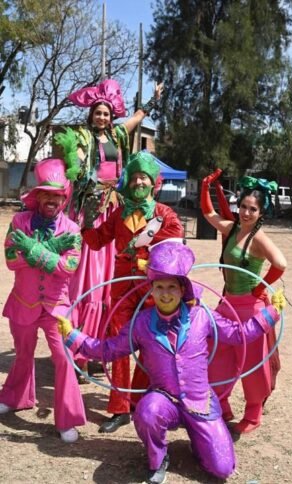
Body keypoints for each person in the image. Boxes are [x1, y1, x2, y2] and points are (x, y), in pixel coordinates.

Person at [56, 241, 286, 482]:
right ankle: (158, 459)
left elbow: (239, 334)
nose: (165, 293)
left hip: (200, 402)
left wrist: (272, 312)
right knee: (147, 411)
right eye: (159, 287)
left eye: (171, 287)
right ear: (152, 290)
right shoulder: (141, 323)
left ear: (182, 289)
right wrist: (73, 335)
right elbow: (108, 350)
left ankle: (199, 443)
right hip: (163, 399)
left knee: (223, 469)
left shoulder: (202, 316)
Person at [55, 79, 163, 383]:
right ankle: (79, 352)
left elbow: (138, 118)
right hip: (90, 213)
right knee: (87, 282)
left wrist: (153, 101)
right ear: (90, 115)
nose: (102, 117)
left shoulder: (117, 134)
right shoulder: (81, 137)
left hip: (114, 207)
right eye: (97, 113)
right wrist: (74, 164)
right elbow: (73, 162)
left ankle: (103, 348)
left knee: (109, 282)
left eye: (105, 113)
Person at [80, 152, 184, 433]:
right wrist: (86, 222)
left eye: (144, 178)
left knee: (149, 342)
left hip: (152, 288)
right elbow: (97, 241)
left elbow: (176, 247)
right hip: (121, 288)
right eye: (135, 177)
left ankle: (139, 398)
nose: (138, 181)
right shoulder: (117, 215)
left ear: (153, 184)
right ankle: (119, 407)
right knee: (118, 343)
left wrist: (147, 258)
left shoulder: (165, 215)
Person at [0, 158, 86, 442]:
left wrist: (34, 249)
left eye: (57, 194)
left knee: (63, 358)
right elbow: (11, 260)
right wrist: (50, 251)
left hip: (56, 307)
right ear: (37, 196)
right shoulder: (19, 221)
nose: (51, 198)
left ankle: (67, 418)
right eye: (46, 193)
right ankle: (15, 398)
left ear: (64, 197)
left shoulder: (73, 230)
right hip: (23, 302)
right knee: (23, 353)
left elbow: (68, 268)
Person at [201, 171, 286, 434]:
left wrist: (260, 287)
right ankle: (222, 403)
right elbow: (208, 214)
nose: (246, 213)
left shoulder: (259, 238)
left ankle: (253, 413)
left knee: (252, 363)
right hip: (227, 304)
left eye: (253, 209)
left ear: (261, 213)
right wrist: (206, 186)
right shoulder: (232, 228)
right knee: (217, 355)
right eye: (243, 207)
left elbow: (281, 264)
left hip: (251, 308)